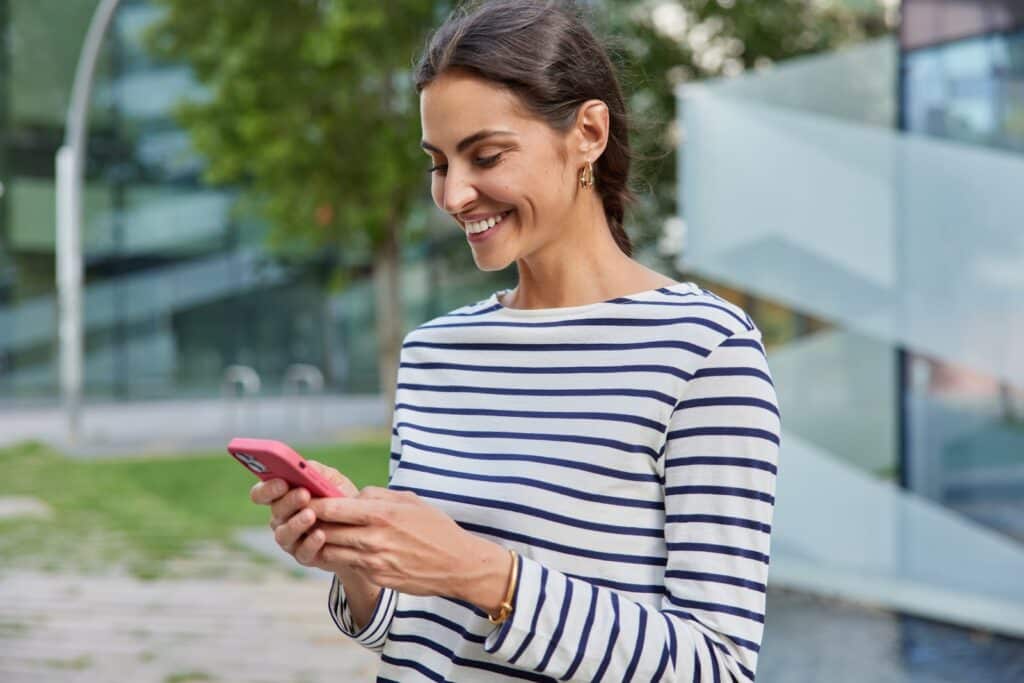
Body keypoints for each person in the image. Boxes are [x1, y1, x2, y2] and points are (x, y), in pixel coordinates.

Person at [250, 0, 781, 680]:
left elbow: (717, 667)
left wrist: (483, 572)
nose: (455, 194)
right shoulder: (435, 353)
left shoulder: (704, 353)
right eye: (439, 162)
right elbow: (424, 633)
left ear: (587, 132)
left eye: (487, 155)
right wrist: (362, 565)